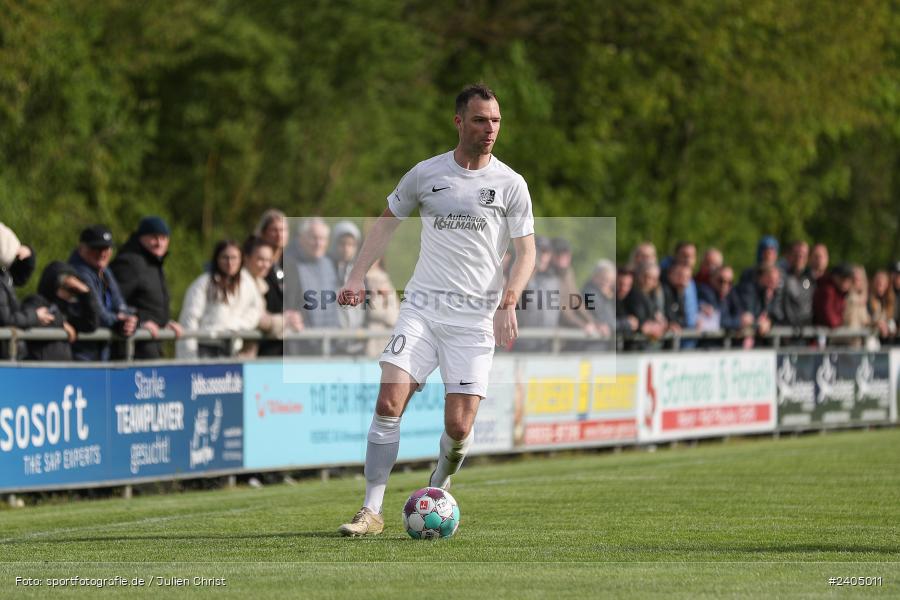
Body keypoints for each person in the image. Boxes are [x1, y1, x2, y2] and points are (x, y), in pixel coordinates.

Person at [335, 84, 536, 536]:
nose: (490, 129)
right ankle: (371, 510)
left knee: (459, 427)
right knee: (389, 401)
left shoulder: (511, 184)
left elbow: (527, 254)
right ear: (459, 121)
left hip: (474, 322)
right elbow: (385, 226)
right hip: (422, 309)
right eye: (481, 120)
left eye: (497, 120)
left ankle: (437, 487)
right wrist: (355, 276)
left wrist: (508, 300)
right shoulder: (426, 174)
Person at [110, 216, 183, 358]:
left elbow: (147, 302)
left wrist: (165, 323)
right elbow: (112, 301)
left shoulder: (154, 263)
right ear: (140, 237)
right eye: (154, 237)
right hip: (132, 347)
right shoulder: (129, 263)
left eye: (163, 238)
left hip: (151, 342)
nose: (159, 243)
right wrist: (140, 321)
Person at [176, 240, 263, 359]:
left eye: (234, 258)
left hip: (233, 348)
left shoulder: (247, 283)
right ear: (217, 259)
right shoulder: (203, 283)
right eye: (225, 257)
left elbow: (255, 311)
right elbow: (189, 320)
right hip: (205, 348)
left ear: (241, 259)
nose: (230, 262)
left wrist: (236, 325)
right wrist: (189, 357)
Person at [68, 225, 138, 361]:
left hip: (101, 355)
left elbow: (121, 306)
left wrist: (132, 319)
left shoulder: (105, 272)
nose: (102, 253)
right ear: (82, 248)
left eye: (106, 248)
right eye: (96, 248)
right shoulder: (77, 272)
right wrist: (119, 321)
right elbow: (98, 315)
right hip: (81, 356)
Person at [21, 262, 100, 361]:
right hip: (39, 369)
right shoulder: (35, 301)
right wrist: (62, 323)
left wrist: (86, 293)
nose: (70, 293)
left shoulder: (66, 311)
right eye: (66, 287)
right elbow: (29, 318)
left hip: (61, 372)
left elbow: (91, 324)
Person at [284, 217, 341, 355]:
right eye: (313, 238)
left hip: (332, 345)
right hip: (301, 345)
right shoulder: (289, 264)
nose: (318, 243)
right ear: (301, 239)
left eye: (322, 239)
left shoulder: (332, 263)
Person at [0, 223, 53, 358]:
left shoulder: (4, 274)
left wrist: (28, 255)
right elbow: (6, 320)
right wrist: (35, 316)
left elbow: (19, 277)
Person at [239, 236, 287, 357]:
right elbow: (253, 318)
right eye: (260, 259)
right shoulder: (241, 283)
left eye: (269, 260)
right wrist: (283, 322)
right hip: (232, 358)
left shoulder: (259, 284)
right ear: (246, 258)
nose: (265, 265)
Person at [254, 209, 291, 356]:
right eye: (274, 230)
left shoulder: (291, 264)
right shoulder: (255, 263)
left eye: (283, 229)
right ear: (263, 233)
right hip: (263, 342)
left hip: (288, 341)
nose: (279, 234)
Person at [515, 236, 561, 352]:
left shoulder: (554, 278)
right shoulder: (519, 274)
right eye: (541, 251)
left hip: (547, 345)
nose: (544, 256)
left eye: (548, 252)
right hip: (524, 342)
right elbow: (514, 299)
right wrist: (530, 266)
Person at [329, 220, 366, 355]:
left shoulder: (361, 272)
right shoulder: (326, 268)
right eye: (342, 244)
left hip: (357, 341)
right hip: (332, 342)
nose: (346, 249)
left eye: (351, 245)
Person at [777, 240, 814, 328]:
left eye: (803, 255)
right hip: (785, 331)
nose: (800, 257)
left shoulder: (811, 278)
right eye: (796, 254)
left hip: (806, 332)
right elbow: (777, 304)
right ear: (789, 256)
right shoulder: (781, 277)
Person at [813, 263, 853, 328]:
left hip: (828, 332)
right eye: (843, 278)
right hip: (821, 333)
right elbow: (830, 318)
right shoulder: (828, 291)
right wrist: (841, 322)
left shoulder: (840, 293)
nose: (846, 282)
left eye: (848, 280)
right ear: (835, 277)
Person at [869, 269, 896, 340]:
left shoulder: (891, 301)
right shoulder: (868, 300)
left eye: (882, 283)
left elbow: (892, 319)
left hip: (888, 339)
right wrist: (877, 324)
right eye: (878, 283)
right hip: (871, 337)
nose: (880, 285)